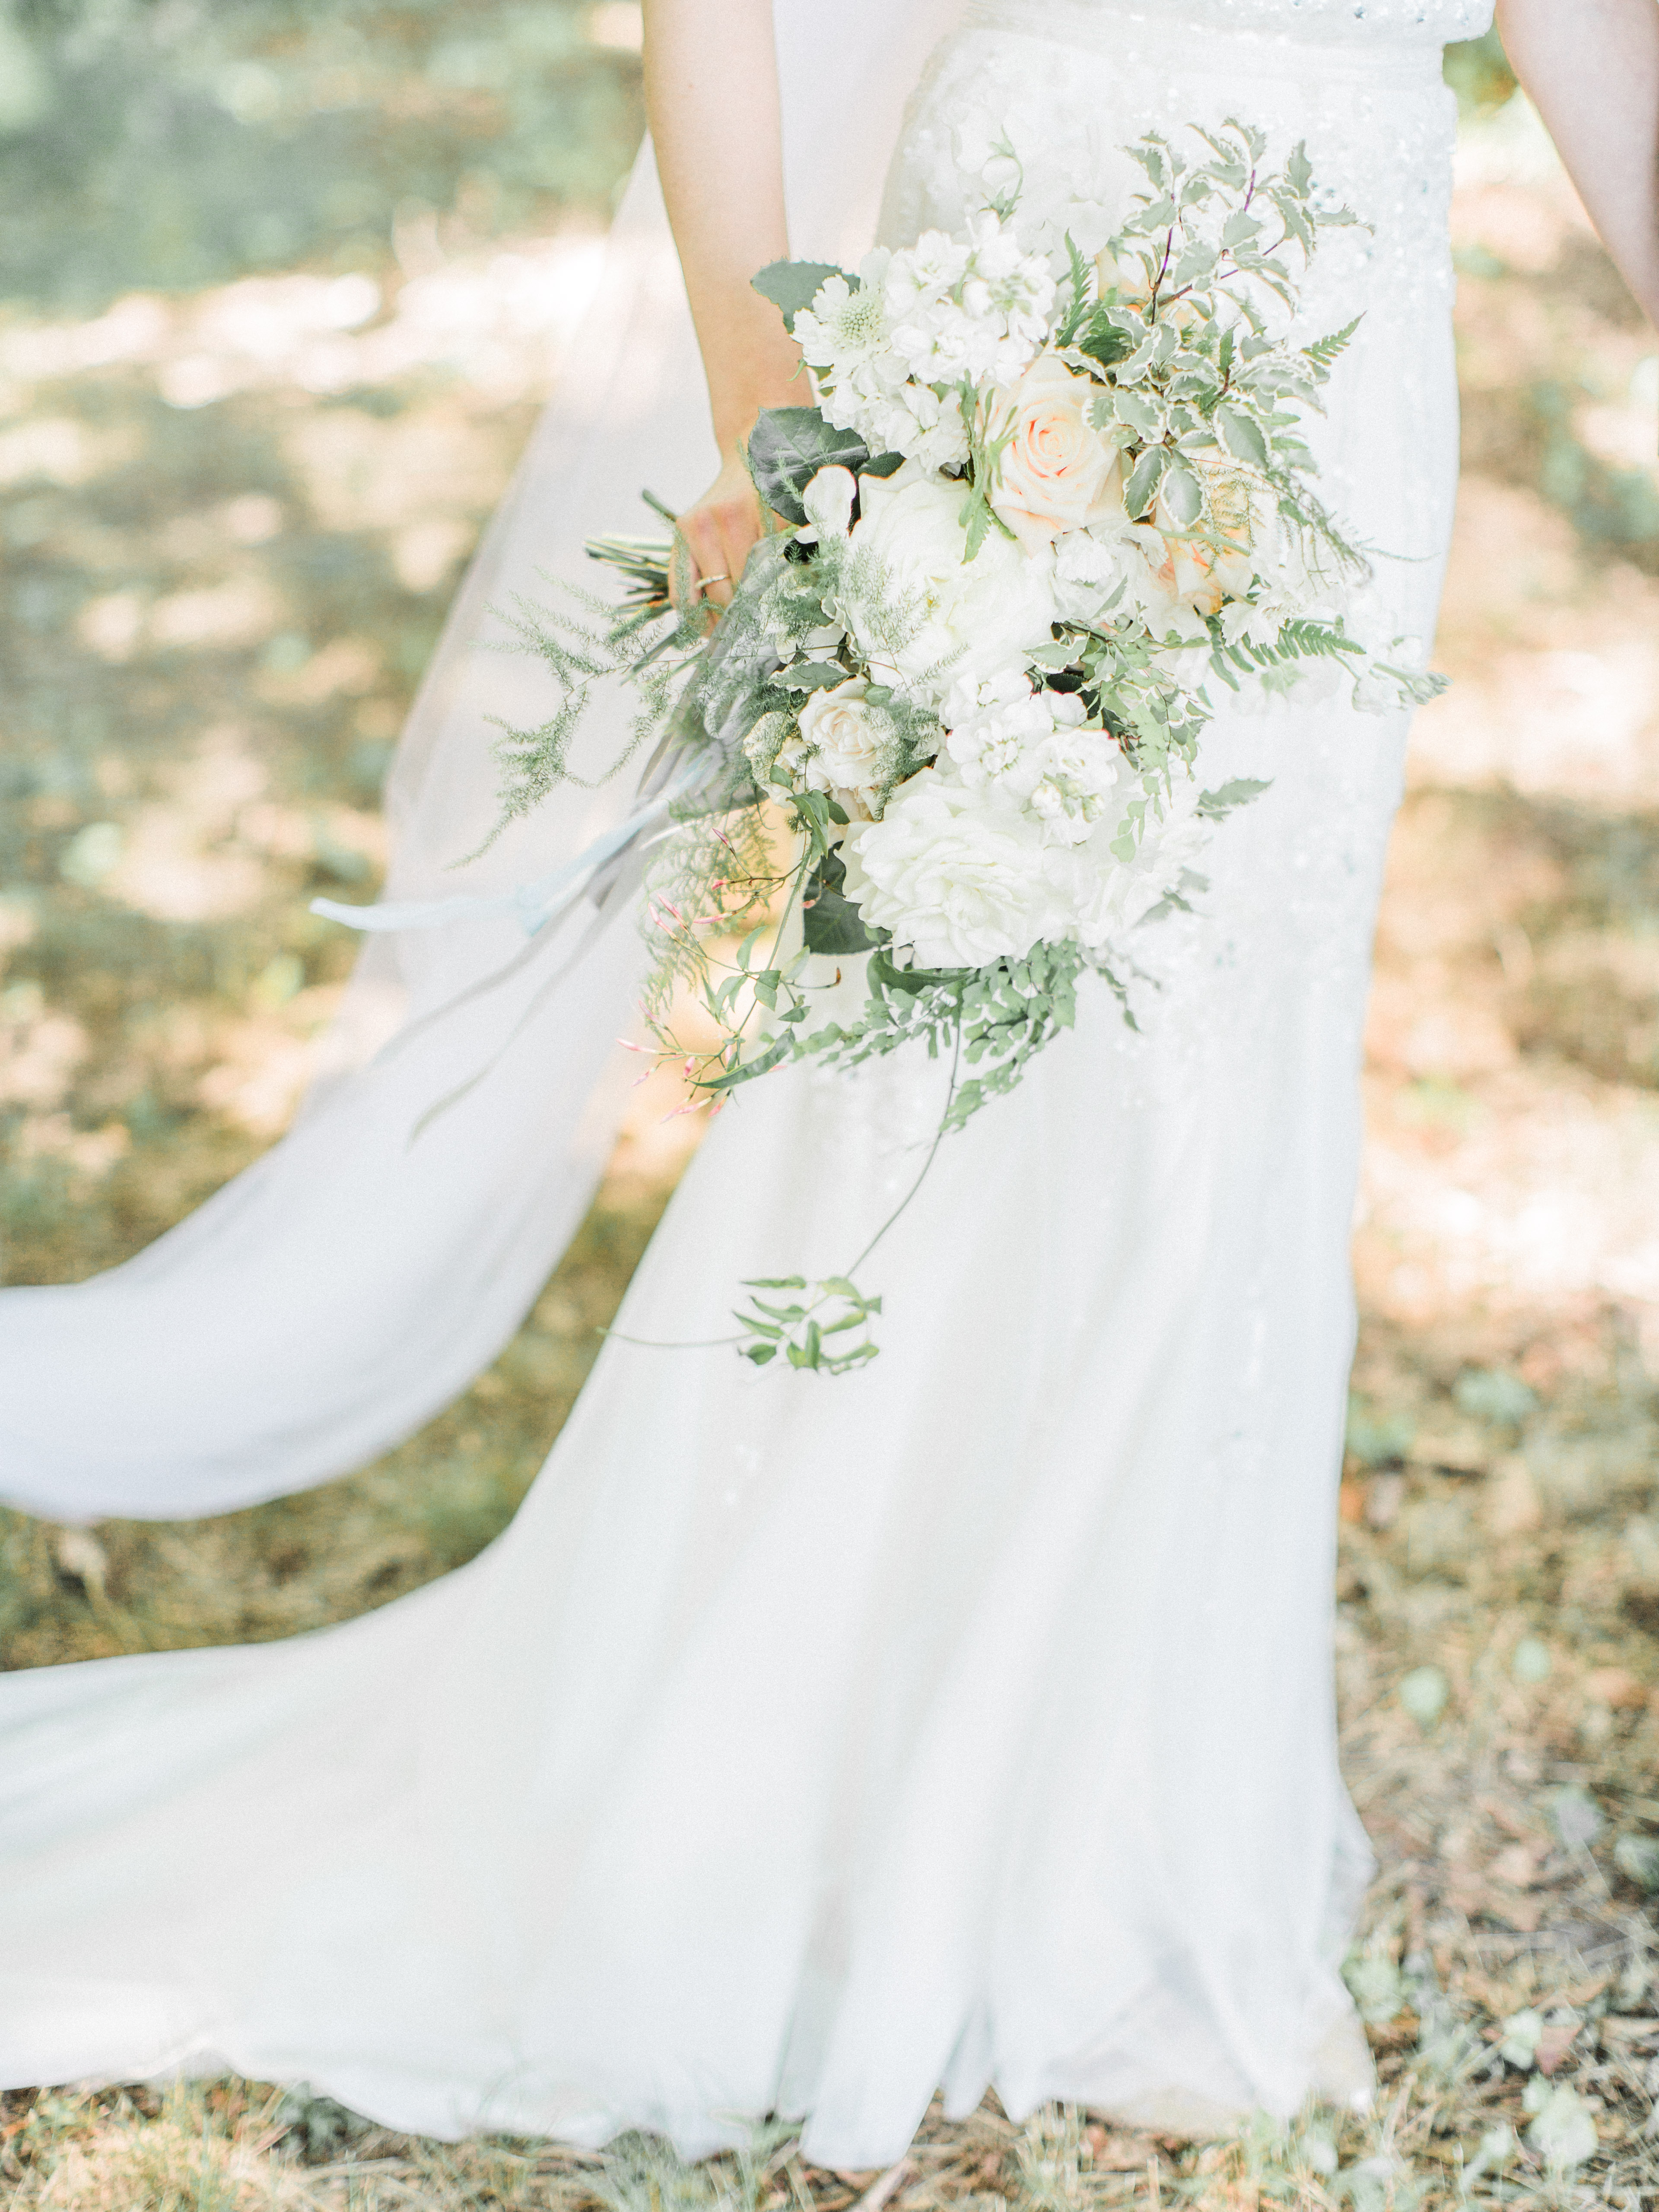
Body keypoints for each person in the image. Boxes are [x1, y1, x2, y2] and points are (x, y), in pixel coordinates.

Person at [1, 0, 1655, 2169]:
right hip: (1037, 288)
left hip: (1344, 345)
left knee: (1227, 1085)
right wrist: (761, 401)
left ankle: (1134, 1834)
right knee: (966, 1034)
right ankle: (809, 1789)